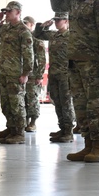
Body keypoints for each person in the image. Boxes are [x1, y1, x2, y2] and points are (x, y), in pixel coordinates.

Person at [51, 0, 99, 164]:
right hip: (75, 61)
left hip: (93, 63)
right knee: (80, 105)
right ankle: (87, 144)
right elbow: (56, 5)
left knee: (95, 105)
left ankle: (98, 147)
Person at [0, 1, 33, 144]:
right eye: (5, 11)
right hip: (4, 71)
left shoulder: (23, 31)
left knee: (17, 104)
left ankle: (19, 133)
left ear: (18, 12)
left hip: (16, 73)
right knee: (6, 104)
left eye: (9, 11)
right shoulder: (5, 29)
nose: (7, 13)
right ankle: (11, 128)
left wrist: (26, 73)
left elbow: (28, 54)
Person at [35, 13, 74, 142]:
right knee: (57, 101)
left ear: (66, 21)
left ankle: (68, 131)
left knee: (66, 102)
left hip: (66, 74)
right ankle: (62, 128)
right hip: (54, 73)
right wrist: (42, 26)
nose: (57, 22)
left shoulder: (71, 35)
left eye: (59, 20)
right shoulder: (54, 35)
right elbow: (37, 35)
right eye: (55, 20)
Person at [22, 15, 45, 132]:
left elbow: (41, 58)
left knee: (32, 99)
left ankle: (33, 122)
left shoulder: (36, 39)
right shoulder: (20, 36)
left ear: (31, 25)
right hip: (21, 73)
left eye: (26, 23)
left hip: (33, 74)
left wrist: (40, 75)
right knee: (23, 99)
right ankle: (24, 121)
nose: (24, 25)